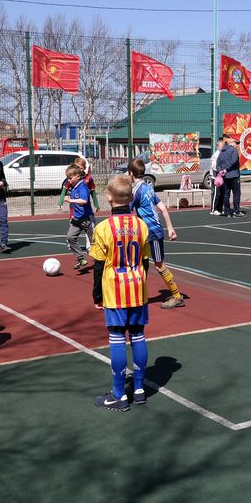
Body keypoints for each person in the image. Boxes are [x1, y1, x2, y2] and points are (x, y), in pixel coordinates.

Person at [89, 174, 152, 411]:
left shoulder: (103, 228)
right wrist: (141, 282)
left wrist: (97, 295)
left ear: (108, 198)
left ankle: (119, 394)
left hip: (114, 290)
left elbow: (98, 266)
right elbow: (145, 261)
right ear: (132, 197)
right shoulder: (141, 225)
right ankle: (139, 389)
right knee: (138, 336)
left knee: (117, 338)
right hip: (137, 288)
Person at [129, 158, 184, 309]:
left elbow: (127, 212)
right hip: (152, 230)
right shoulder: (148, 187)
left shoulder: (136, 191)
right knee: (141, 260)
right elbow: (163, 208)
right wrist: (170, 228)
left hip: (152, 232)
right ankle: (140, 293)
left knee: (159, 265)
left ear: (131, 173)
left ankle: (177, 296)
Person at [59, 155, 98, 249]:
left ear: (84, 168)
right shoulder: (71, 179)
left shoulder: (88, 179)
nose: (79, 169)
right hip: (74, 206)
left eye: (80, 167)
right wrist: (60, 202)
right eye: (77, 167)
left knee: (90, 225)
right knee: (73, 223)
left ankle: (90, 245)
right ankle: (70, 241)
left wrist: (96, 205)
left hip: (85, 207)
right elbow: (64, 191)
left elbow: (92, 193)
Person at [64, 164, 95, 270]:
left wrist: (70, 200)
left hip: (86, 219)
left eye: (70, 178)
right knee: (70, 237)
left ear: (77, 176)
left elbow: (84, 200)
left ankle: (102, 260)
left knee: (94, 241)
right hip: (77, 219)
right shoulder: (73, 187)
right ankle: (81, 258)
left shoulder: (83, 187)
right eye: (67, 178)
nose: (68, 180)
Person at [215, 137, 243, 217]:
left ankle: (227, 212)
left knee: (226, 195)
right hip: (234, 176)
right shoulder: (233, 150)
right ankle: (236, 211)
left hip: (225, 177)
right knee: (236, 194)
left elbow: (218, 165)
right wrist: (225, 169)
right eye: (236, 143)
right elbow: (233, 161)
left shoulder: (221, 152)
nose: (237, 145)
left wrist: (221, 170)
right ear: (231, 143)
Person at [209, 137, 226, 215]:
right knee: (216, 193)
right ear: (218, 146)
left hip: (221, 177)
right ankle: (213, 209)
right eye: (221, 145)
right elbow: (214, 166)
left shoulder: (222, 154)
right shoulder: (216, 155)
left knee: (222, 193)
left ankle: (219, 209)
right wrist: (219, 172)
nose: (223, 147)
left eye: (223, 145)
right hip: (216, 177)